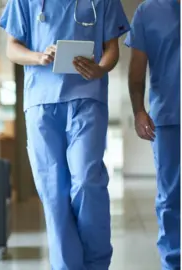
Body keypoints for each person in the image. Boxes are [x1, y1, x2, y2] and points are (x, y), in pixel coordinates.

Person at [0, 0, 130, 269]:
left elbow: (111, 49)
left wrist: (101, 69)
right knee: (53, 193)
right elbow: (12, 47)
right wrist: (38, 57)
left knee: (86, 180)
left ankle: (96, 263)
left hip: (87, 97)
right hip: (41, 103)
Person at [124, 1, 181, 269]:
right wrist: (139, 111)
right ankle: (173, 263)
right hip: (170, 118)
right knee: (171, 199)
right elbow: (136, 69)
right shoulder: (148, 11)